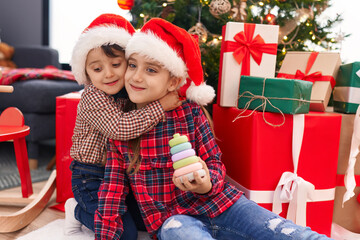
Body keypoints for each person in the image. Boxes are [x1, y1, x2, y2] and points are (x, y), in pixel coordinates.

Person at [94, 18, 332, 240]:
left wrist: (205, 183)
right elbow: (112, 191)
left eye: (151, 70)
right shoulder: (122, 127)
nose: (135, 77)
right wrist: (106, 234)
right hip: (174, 220)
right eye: (132, 65)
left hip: (223, 204)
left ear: (174, 81)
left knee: (285, 231)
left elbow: (214, 163)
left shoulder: (191, 113)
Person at [64, 14, 181, 239]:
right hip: (91, 176)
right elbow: (120, 128)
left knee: (148, 221)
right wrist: (160, 106)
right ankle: (77, 210)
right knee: (123, 234)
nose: (108, 74)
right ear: (86, 73)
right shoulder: (93, 96)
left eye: (116, 65)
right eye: (97, 69)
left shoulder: (128, 91)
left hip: (121, 175)